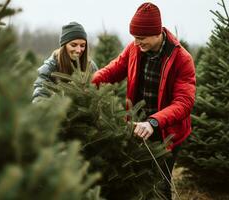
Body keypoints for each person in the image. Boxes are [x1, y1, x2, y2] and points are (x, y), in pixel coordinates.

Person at [91, 2, 196, 199]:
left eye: (141, 38)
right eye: (134, 38)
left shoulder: (182, 59)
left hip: (167, 132)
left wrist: (153, 122)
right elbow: (114, 69)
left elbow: (184, 102)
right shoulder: (135, 48)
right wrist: (87, 84)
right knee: (137, 180)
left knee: (160, 183)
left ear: (157, 33)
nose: (137, 43)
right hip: (138, 125)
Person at [32, 21, 98, 102]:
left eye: (82, 45)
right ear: (64, 46)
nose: (78, 50)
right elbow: (39, 97)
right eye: (73, 45)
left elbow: (100, 92)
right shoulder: (49, 68)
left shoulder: (90, 66)